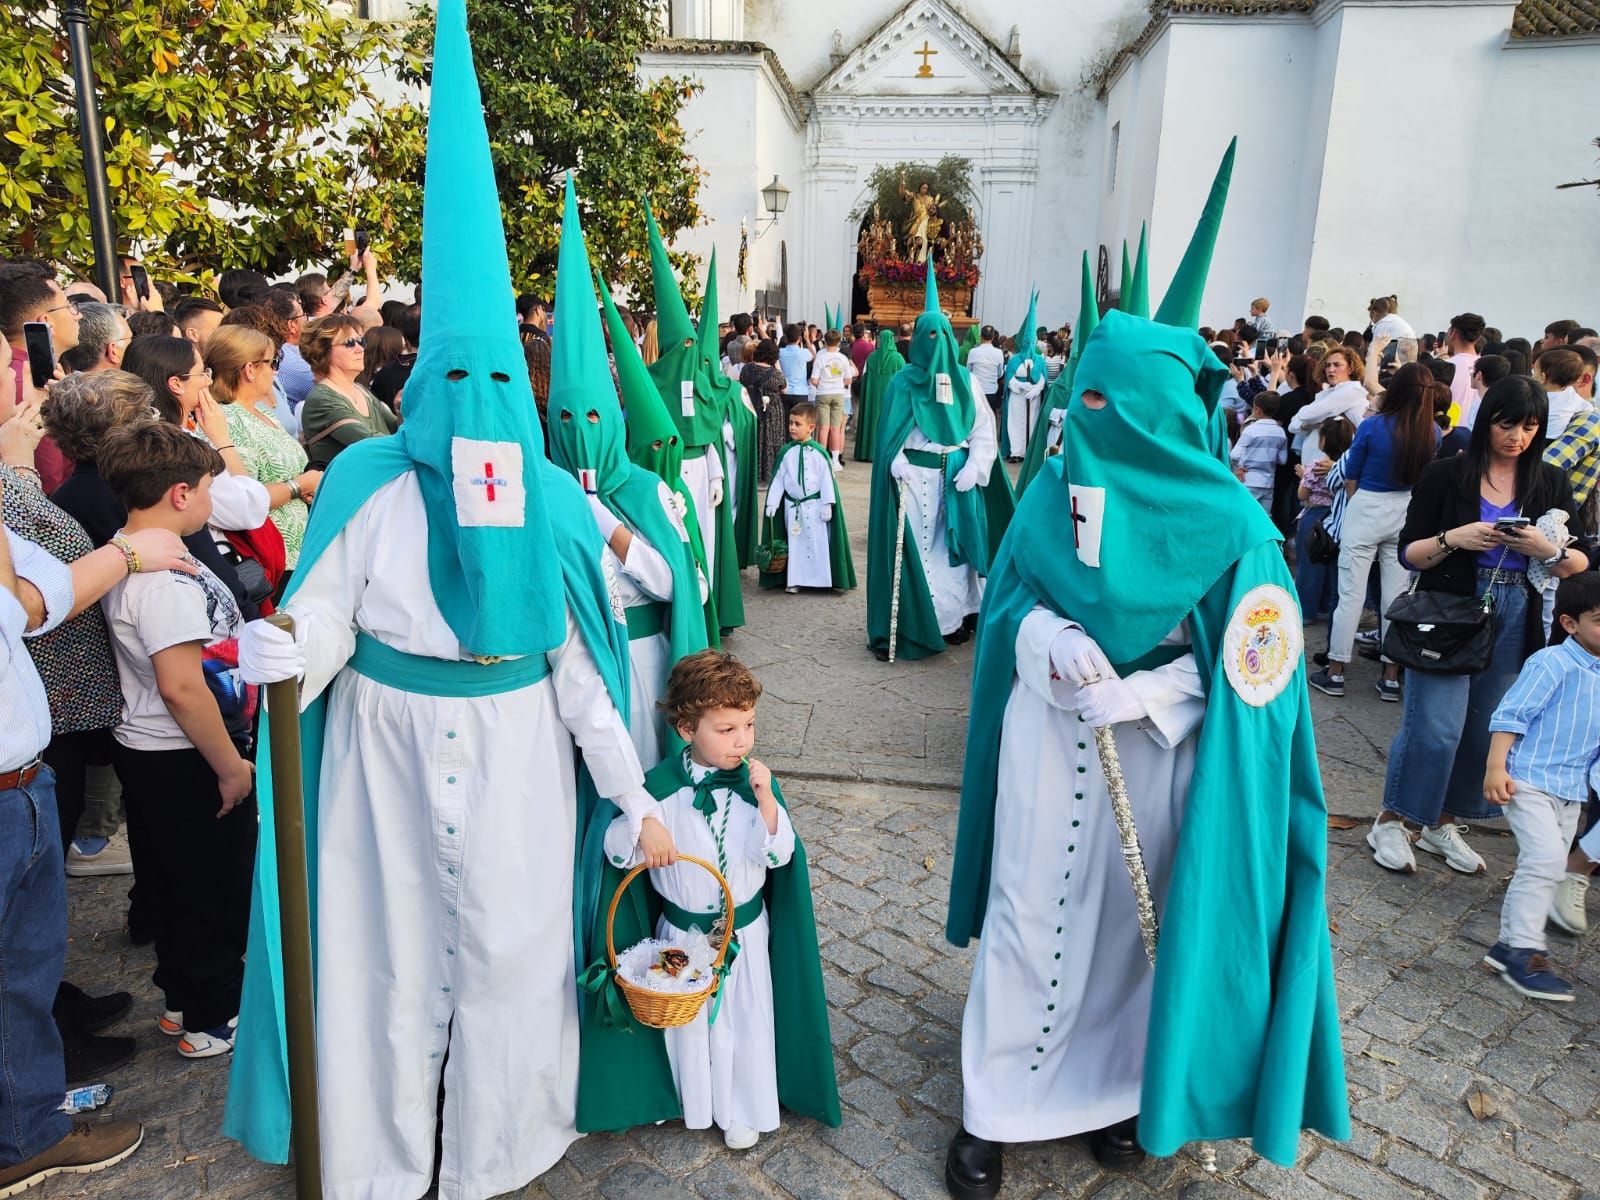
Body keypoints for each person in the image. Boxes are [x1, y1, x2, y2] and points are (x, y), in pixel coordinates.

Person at [224, 7, 667, 1192]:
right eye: (451, 378)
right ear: (425, 386)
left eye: (491, 380)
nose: (472, 403)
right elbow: (331, 612)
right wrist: (291, 650)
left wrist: (628, 796)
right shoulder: (371, 478)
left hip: (519, 743)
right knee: (384, 957)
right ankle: (373, 1157)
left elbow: (582, 670)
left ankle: (491, 1151)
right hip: (384, 750)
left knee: (512, 958)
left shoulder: (553, 505)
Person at [944, 143, 1347, 1200]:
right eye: (1085, 405)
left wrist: (1156, 691)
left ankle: (1123, 1097)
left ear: (1163, 416)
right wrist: (1044, 641)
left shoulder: (1238, 532)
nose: (1088, 429)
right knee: (1030, 914)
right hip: (1048, 731)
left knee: (1134, 927)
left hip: (1164, 761)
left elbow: (1262, 689)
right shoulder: (1057, 483)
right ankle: (994, 1109)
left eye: (1110, 410)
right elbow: (1015, 597)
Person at [0, 503, 192, 1194]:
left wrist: (31, 593)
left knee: (22, 974)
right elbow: (19, 606)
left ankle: (26, 1131)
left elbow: (41, 594)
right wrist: (116, 560)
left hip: (20, 778)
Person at [578, 650, 839, 1146]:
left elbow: (780, 855)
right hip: (679, 931)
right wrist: (642, 831)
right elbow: (613, 852)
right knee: (687, 1021)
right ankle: (688, 1098)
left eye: (749, 725)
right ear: (685, 728)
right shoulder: (655, 792)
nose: (742, 740)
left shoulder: (754, 786)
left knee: (745, 1018)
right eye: (726, 729)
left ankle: (742, 1105)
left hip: (744, 931)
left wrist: (766, 802)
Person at [1368, 376, 1589, 876]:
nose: (1517, 437)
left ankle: (1440, 822)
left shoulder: (1549, 481)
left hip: (1518, 609)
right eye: (1507, 424)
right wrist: (1456, 537)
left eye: (1530, 427)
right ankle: (1392, 820)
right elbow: (1411, 552)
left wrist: (1546, 549)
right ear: (1488, 419)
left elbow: (1579, 561)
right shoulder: (1448, 473)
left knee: (1487, 727)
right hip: (1450, 607)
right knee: (1435, 726)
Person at [95, 422, 257, 1057]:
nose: (216, 502)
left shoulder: (139, 549)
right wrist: (230, 767)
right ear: (182, 494)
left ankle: (183, 1000)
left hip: (164, 752)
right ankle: (211, 1016)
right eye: (212, 489)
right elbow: (182, 687)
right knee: (209, 886)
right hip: (186, 754)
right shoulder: (160, 582)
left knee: (175, 878)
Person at [547, 172, 707, 769]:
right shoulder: (541, 485)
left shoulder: (644, 489)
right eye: (566, 415)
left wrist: (596, 519)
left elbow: (672, 585)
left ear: (613, 418)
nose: (579, 428)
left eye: (593, 414)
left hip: (642, 661)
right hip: (566, 665)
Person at [867, 271, 1012, 661]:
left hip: (956, 476)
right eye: (928, 335)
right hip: (914, 479)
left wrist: (977, 467)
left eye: (942, 334)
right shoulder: (902, 382)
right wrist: (895, 460)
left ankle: (954, 619)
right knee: (917, 551)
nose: (937, 343)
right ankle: (916, 621)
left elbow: (983, 428)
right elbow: (890, 434)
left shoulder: (967, 381)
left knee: (954, 553)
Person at [1479, 572, 1600, 1002]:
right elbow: (1511, 715)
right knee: (1547, 861)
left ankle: (1508, 945)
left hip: (1571, 790)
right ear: (1570, 624)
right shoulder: (1552, 663)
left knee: (1543, 866)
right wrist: (1496, 767)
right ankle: (1526, 953)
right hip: (1528, 780)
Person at [1309, 363, 1443, 701]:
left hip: (1368, 505)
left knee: (1350, 595)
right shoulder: (1433, 432)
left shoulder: (1373, 426)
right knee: (1396, 597)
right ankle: (1391, 676)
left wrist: (1357, 504)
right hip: (1407, 511)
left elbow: (1350, 472)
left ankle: (1337, 671)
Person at [644, 213, 745, 635]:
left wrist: (718, 472)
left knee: (705, 538)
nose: (688, 351)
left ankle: (708, 612)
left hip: (703, 474)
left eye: (693, 343)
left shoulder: (703, 384)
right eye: (681, 345)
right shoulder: (649, 385)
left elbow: (709, 438)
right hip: (667, 474)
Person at [204, 325, 320, 573]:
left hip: (298, 550)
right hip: (274, 556)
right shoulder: (229, 419)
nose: (276, 371)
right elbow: (246, 495)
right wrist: (300, 485)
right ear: (250, 369)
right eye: (272, 362)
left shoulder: (259, 411)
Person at [762, 402, 854, 594]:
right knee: (795, 544)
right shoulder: (786, 452)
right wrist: (772, 501)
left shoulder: (820, 454)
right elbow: (779, 478)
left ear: (811, 427)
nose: (792, 428)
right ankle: (794, 579)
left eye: (797, 424)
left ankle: (821, 579)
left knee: (816, 542)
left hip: (814, 506)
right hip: (793, 507)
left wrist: (828, 504)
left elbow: (827, 480)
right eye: (790, 423)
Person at [298, 314, 399, 470]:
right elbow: (371, 443)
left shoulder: (360, 389)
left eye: (361, 341)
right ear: (323, 350)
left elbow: (396, 427)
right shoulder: (323, 399)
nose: (360, 349)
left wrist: (403, 410)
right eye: (350, 343)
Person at [1293, 415, 1355, 624]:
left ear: (1323, 440)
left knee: (1309, 562)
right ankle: (1324, 607)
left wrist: (1303, 477)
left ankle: (1305, 610)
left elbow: (1302, 495)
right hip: (1338, 517)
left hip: (1314, 515)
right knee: (1330, 564)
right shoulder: (1347, 465)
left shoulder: (1316, 466)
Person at [1288, 346, 1367, 467]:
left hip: (1330, 466)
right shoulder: (1327, 393)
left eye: (1337, 365)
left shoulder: (1352, 390)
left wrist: (1309, 421)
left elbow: (1306, 415)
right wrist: (1313, 423)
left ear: (1350, 368)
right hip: (1313, 467)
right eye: (1328, 365)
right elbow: (1293, 426)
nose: (1331, 369)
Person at [1001, 296, 1046, 463]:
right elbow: (1009, 379)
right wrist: (1020, 386)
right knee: (1014, 422)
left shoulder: (1039, 360)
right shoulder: (1014, 360)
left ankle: (1028, 451)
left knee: (1031, 422)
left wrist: (1035, 389)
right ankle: (1015, 451)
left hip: (1032, 398)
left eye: (1031, 342)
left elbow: (1043, 379)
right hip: (1017, 396)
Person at [854, 328, 904, 465]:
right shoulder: (898, 358)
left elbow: (864, 376)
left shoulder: (871, 357)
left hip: (871, 397)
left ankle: (866, 452)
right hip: (890, 397)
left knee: (871, 420)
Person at [1231, 389, 1288, 511]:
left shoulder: (1250, 430)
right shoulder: (1280, 432)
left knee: (1246, 515)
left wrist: (1239, 466)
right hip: (1268, 482)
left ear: (1257, 409)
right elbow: (1282, 460)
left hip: (1248, 479)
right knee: (1265, 518)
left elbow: (1234, 455)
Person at [740, 338, 786, 484]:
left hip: (750, 407)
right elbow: (784, 387)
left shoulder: (747, 369)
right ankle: (769, 472)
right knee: (771, 440)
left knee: (754, 439)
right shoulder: (775, 374)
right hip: (772, 411)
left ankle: (752, 471)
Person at [809, 328, 855, 471]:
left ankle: (822, 459)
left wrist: (823, 383)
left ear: (825, 342)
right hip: (838, 393)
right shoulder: (842, 358)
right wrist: (837, 383)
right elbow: (848, 379)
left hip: (823, 393)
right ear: (839, 342)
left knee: (823, 428)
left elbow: (813, 379)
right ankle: (835, 461)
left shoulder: (820, 357)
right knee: (835, 428)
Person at [965, 326, 1004, 423]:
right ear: (993, 337)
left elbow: (968, 372)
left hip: (976, 390)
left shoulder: (973, 352)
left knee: (975, 418)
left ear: (981, 336)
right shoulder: (999, 353)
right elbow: (1000, 373)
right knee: (990, 419)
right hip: (991, 391)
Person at [777, 324, 811, 418]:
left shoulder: (779, 352)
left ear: (786, 338)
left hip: (784, 392)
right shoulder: (804, 352)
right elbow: (814, 355)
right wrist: (807, 339)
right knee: (800, 423)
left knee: (785, 424)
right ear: (799, 338)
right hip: (801, 393)